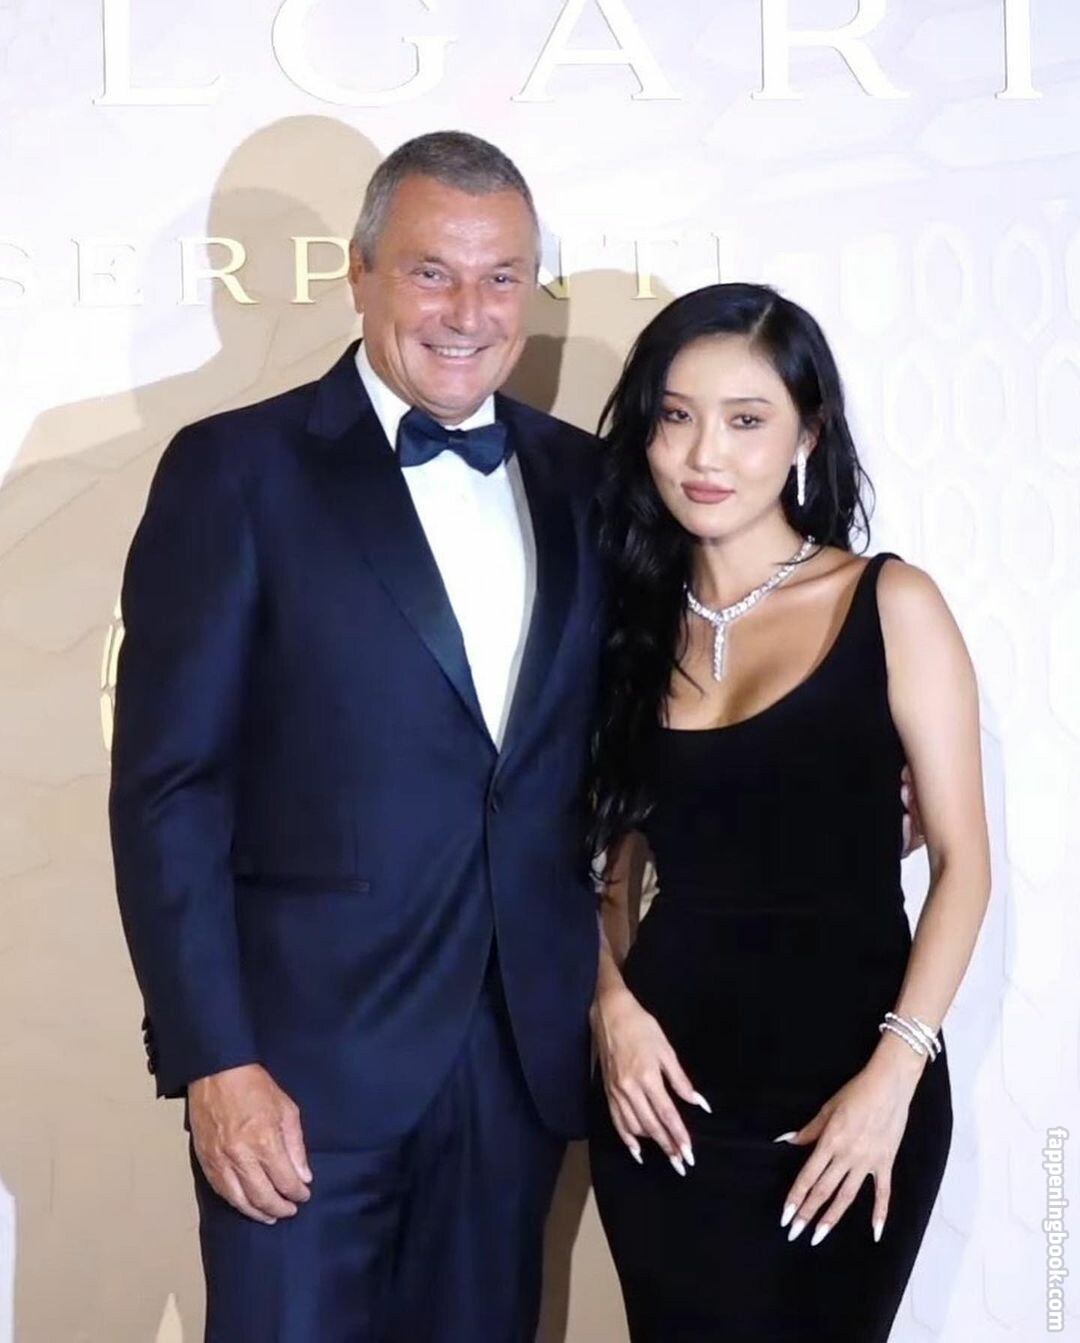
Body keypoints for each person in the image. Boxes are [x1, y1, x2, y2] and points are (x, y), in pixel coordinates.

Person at [108, 130, 603, 1342]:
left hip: (516, 1065)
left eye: (501, 277)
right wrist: (216, 1058)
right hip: (297, 1071)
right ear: (361, 272)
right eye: (433, 272)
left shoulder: (589, 481)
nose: (469, 313)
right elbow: (169, 788)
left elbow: (647, 717)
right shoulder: (236, 469)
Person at [587, 283, 991, 1342]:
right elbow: (598, 870)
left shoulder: (891, 603)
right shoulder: (621, 626)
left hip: (851, 1090)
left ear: (808, 433)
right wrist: (610, 1010)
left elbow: (962, 865)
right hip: (663, 1100)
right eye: (676, 416)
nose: (704, 454)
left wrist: (893, 1078)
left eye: (746, 419)